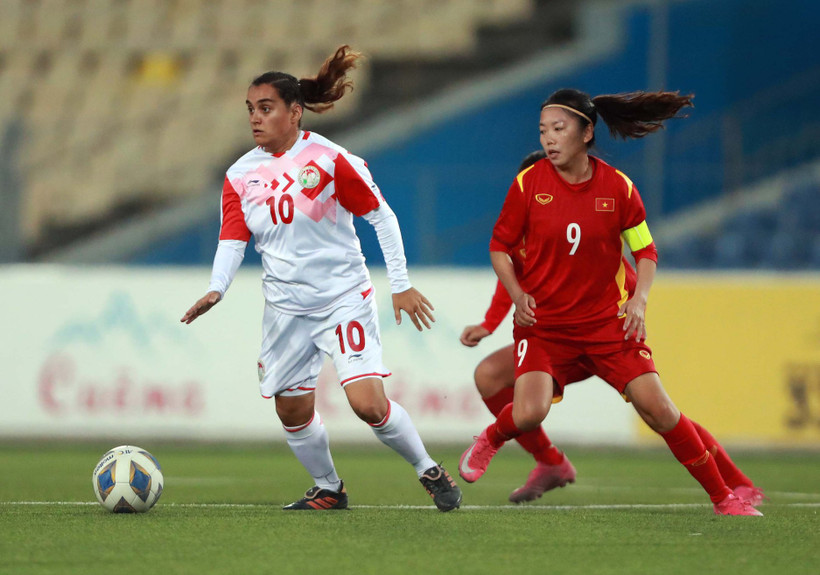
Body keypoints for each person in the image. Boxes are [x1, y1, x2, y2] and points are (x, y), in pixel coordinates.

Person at [458, 88, 765, 516]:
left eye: (558, 129)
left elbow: (645, 250)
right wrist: (497, 317)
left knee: (660, 410)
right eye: (542, 130)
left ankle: (728, 494)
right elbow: (503, 256)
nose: (548, 139)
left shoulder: (618, 188)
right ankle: (532, 454)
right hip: (548, 332)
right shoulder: (528, 188)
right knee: (515, 400)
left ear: (586, 133)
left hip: (607, 327)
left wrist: (639, 301)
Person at [181, 45, 461, 512]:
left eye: (265, 108)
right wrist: (218, 287)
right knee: (291, 410)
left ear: (294, 113)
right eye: (250, 109)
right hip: (286, 309)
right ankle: (329, 487)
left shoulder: (330, 161)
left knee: (368, 404)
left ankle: (427, 469)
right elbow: (233, 239)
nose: (255, 118)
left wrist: (401, 282)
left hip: (342, 299)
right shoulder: (239, 174)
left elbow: (382, 217)